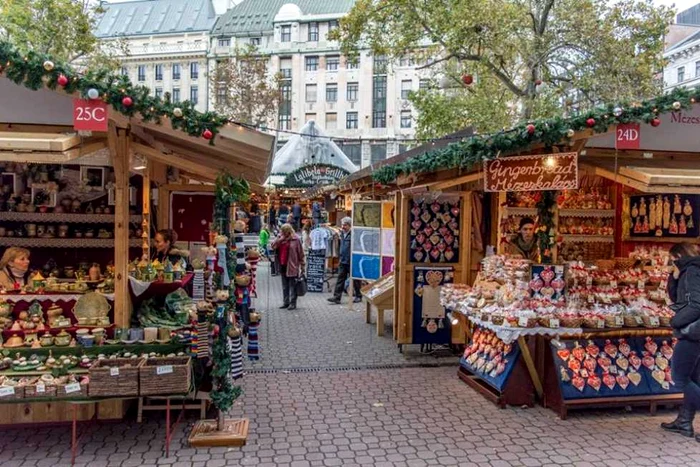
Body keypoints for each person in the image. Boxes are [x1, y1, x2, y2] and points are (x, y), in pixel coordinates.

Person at [662, 242, 700, 439]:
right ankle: (684, 421)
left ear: (677, 256)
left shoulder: (692, 272)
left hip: (692, 333)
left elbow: (695, 305)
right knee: (694, 378)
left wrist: (675, 321)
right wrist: (674, 277)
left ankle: (685, 421)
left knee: (680, 378)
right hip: (695, 332)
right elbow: (678, 299)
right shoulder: (689, 270)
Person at [270, 223, 305, 310]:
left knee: (292, 285)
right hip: (282, 265)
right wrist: (280, 239)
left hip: (292, 265)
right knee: (285, 285)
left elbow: (300, 253)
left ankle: (292, 303)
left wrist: (302, 265)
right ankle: (286, 302)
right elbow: (273, 247)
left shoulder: (296, 239)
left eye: (284, 232)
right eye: (282, 231)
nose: (282, 233)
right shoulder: (280, 238)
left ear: (288, 231)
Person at [328, 217, 361, 304]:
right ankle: (337, 297)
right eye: (342, 225)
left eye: (345, 225)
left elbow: (357, 246)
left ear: (350, 225)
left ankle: (358, 295)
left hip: (351, 260)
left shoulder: (354, 234)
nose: (343, 227)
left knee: (355, 279)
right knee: (340, 279)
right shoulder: (342, 234)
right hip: (343, 260)